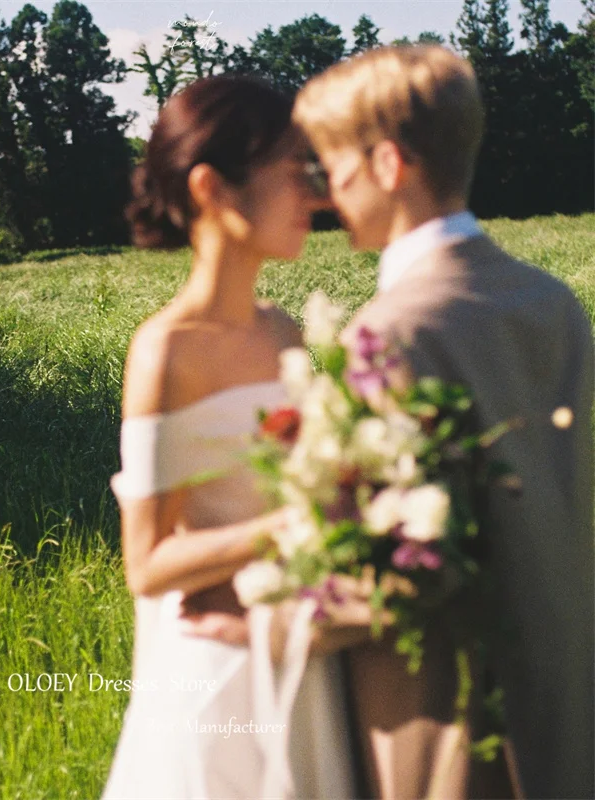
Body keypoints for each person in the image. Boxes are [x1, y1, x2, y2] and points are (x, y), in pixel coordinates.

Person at [192, 44, 594, 799]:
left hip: (453, 736)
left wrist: (255, 618)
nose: (321, 191)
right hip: (567, 714)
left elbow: (411, 573)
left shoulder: (391, 334)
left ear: (387, 164)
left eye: (331, 166)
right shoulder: (554, 304)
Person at [102, 74, 358, 800]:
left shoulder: (284, 332)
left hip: (297, 646)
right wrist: (293, 525)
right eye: (294, 173)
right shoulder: (165, 352)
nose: (315, 196)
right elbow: (147, 563)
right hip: (214, 676)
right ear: (213, 188)